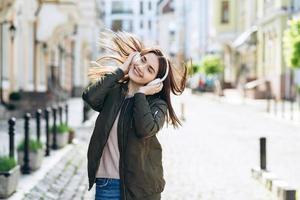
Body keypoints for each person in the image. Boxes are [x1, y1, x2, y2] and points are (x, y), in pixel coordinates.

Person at [82, 30, 187, 200]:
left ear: (156, 80)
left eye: (150, 69)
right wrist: (121, 70)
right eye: (142, 59)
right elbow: (90, 98)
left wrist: (141, 94)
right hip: (107, 183)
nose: (141, 67)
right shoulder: (114, 92)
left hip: (141, 190)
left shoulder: (158, 105)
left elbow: (145, 129)